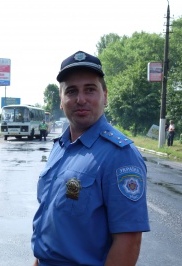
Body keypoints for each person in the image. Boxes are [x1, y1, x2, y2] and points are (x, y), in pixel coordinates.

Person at [31, 51, 150, 266]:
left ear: (105, 95)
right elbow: (52, 223)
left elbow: (128, 242)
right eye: (71, 91)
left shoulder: (119, 155)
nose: (81, 99)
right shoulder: (60, 147)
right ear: (61, 100)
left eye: (90, 89)